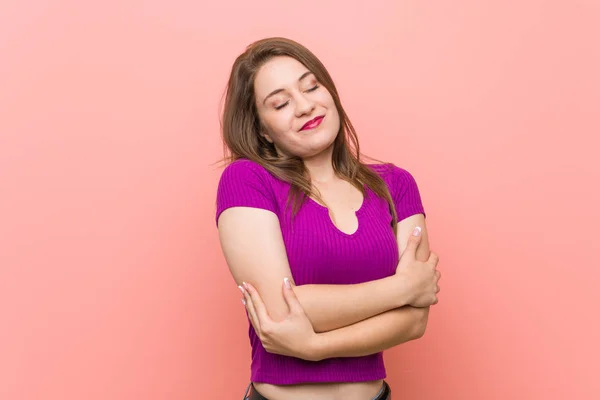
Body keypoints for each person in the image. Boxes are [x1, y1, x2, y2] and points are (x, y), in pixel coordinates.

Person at [215, 37, 441, 400]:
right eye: (281, 103)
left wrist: (313, 347)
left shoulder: (396, 185)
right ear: (261, 130)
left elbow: (414, 320)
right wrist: (402, 288)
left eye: (311, 86)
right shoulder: (246, 181)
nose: (304, 106)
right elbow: (280, 309)